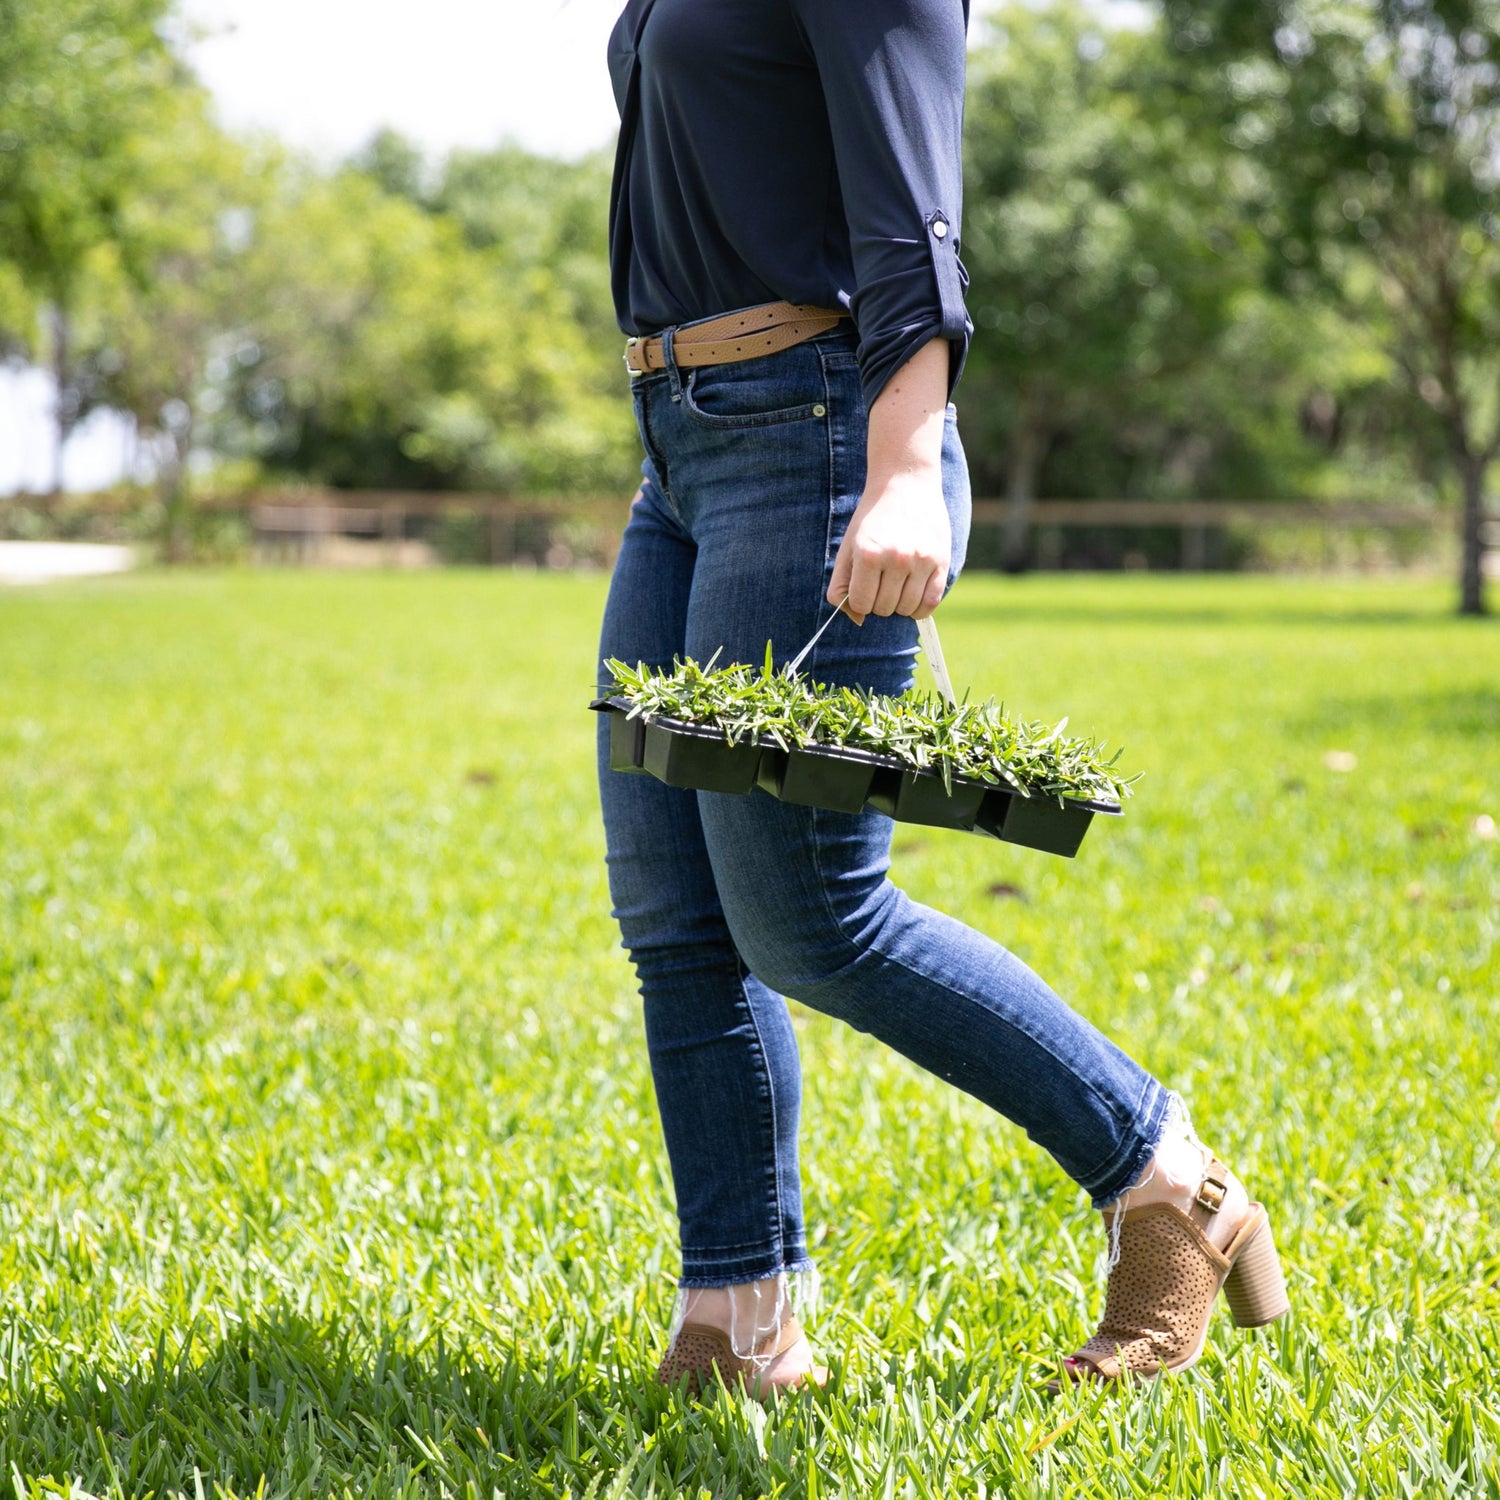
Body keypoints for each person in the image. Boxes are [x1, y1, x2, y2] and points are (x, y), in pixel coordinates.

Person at [596, 0, 1289, 1395]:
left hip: (818, 439)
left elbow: (913, 198)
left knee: (811, 917)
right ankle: (740, 1322)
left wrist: (904, 461)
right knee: (678, 917)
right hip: (682, 452)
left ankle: (1168, 1180)